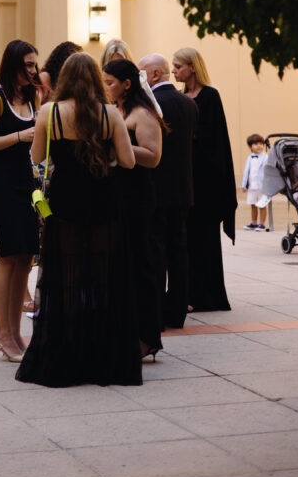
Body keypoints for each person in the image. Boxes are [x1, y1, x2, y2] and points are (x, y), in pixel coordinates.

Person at [16, 52, 141, 388]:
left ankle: (67, 352)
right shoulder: (111, 113)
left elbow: (37, 158)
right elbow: (128, 162)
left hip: (66, 201)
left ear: (64, 79)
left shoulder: (50, 112)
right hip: (104, 199)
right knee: (104, 275)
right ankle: (102, 352)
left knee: (66, 275)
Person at [0, 40, 39, 362]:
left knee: (26, 259)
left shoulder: (32, 97)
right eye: (28, 65)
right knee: (7, 259)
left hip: (28, 185)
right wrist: (18, 136)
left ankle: (15, 334)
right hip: (2, 186)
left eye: (34, 65)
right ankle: (2, 335)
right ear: (14, 65)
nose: (33, 70)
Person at [103, 58, 164, 360]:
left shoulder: (143, 114)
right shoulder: (117, 111)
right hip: (117, 194)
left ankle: (147, 337)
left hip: (138, 195)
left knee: (141, 263)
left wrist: (117, 146)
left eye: (110, 82)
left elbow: (153, 157)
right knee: (121, 265)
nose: (106, 88)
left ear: (127, 84)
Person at [172, 47, 237, 312]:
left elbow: (215, 138)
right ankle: (189, 293)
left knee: (205, 238)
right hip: (186, 178)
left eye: (178, 66)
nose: (174, 71)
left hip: (206, 180)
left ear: (192, 67)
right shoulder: (178, 97)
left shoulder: (210, 96)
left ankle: (207, 295)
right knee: (187, 240)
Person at [139, 53, 197, 330]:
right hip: (183, 188)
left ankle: (157, 312)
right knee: (179, 250)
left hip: (157, 189)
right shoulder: (188, 103)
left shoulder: (152, 105)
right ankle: (177, 311)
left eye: (141, 74)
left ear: (154, 75)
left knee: (156, 252)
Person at [242, 134, 270, 231]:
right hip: (251, 186)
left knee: (262, 205)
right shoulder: (249, 158)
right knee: (253, 205)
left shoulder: (266, 157)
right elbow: (246, 171)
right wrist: (244, 185)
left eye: (261, 143)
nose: (259, 146)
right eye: (255, 144)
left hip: (262, 187)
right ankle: (254, 223)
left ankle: (261, 224)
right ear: (250, 146)